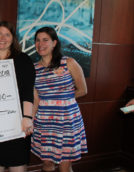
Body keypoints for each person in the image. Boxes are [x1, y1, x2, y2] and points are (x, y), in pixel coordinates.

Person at [0, 21, 36, 172]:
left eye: (7, 34)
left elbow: (28, 92)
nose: (2, 38)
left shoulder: (23, 60)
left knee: (17, 166)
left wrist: (27, 118)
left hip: (16, 123)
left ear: (13, 38)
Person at [31, 27, 88, 172]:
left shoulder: (69, 62)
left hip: (67, 121)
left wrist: (61, 99)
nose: (40, 44)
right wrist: (30, 120)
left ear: (54, 43)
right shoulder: (33, 69)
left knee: (65, 166)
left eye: (45, 40)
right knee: (47, 164)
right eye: (37, 40)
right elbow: (36, 99)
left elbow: (83, 90)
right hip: (44, 122)